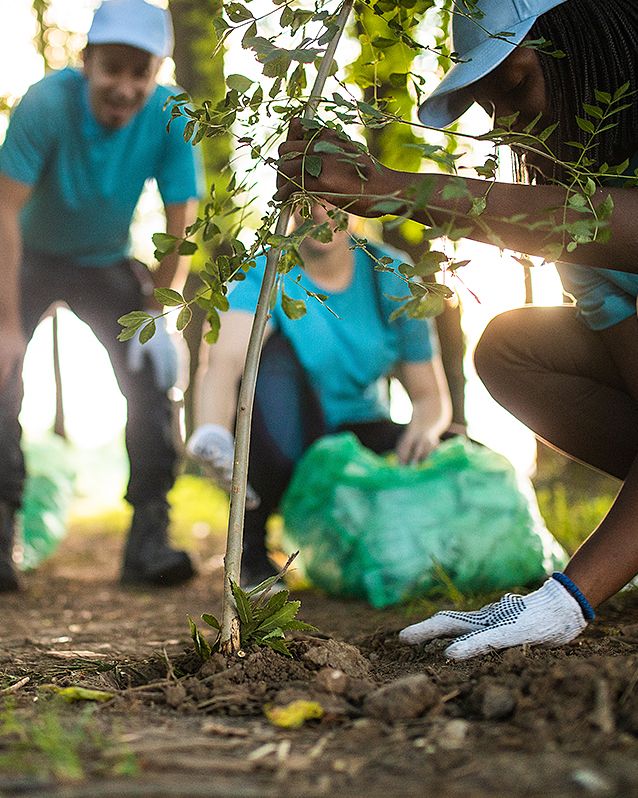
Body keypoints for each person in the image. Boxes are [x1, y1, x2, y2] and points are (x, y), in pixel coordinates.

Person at [276, 0, 638, 658]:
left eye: (515, 85)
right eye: (493, 109)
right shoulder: (586, 259)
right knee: (511, 349)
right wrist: (564, 593)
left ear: (596, 37)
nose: (511, 127)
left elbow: (610, 223)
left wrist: (569, 598)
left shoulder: (593, 219)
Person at [0, 0, 204, 592]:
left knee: (148, 382)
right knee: (4, 374)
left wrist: (160, 314)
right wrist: (7, 327)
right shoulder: (45, 103)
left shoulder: (171, 116)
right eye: (112, 68)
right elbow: (5, 212)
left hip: (103, 263)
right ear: (87, 62)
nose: (125, 86)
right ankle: (1, 530)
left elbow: (181, 223)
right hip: (27, 257)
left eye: (141, 72)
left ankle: (148, 539)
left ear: (157, 73)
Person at [187, 204, 453, 587]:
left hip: (358, 433)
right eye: (304, 200)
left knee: (459, 448)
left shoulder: (392, 275)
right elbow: (225, 364)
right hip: (287, 436)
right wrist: (212, 431)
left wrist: (425, 429)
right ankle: (251, 551)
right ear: (286, 207)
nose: (319, 213)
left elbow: (430, 397)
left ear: (360, 204)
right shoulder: (265, 271)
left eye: (335, 202)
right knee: (269, 356)